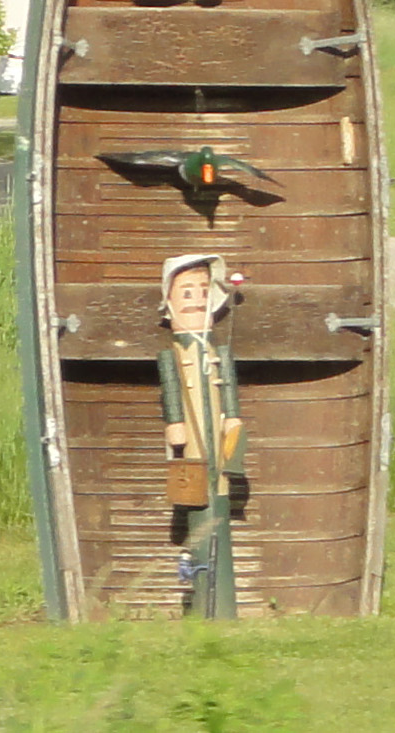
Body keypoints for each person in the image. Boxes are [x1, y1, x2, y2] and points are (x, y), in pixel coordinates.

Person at [156, 253, 246, 618]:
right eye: (186, 292)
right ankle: (202, 600)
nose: (195, 300)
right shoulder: (172, 355)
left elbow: (230, 396)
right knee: (196, 502)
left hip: (219, 457)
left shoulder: (219, 351)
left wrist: (233, 422)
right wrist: (174, 422)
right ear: (169, 302)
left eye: (203, 291)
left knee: (219, 494)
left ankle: (222, 605)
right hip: (192, 455)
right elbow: (170, 389)